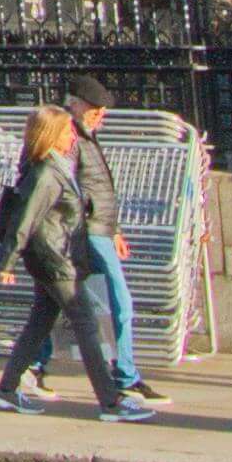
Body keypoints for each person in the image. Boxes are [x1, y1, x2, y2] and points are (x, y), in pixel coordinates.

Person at [0, 108, 151, 415]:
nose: (72, 136)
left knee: (39, 324)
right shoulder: (46, 173)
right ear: (51, 135)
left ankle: (7, 388)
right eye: (66, 132)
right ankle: (110, 401)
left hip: (58, 257)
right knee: (87, 324)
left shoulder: (57, 167)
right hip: (55, 261)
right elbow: (25, 219)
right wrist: (6, 262)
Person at [53, 78, 143, 402]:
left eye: (101, 114)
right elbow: (69, 187)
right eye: (94, 113)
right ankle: (126, 375)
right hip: (86, 230)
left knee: (52, 304)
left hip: (98, 229)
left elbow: (97, 187)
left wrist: (114, 229)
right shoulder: (69, 136)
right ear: (75, 104)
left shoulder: (85, 135)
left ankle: (29, 368)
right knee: (120, 301)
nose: (99, 120)